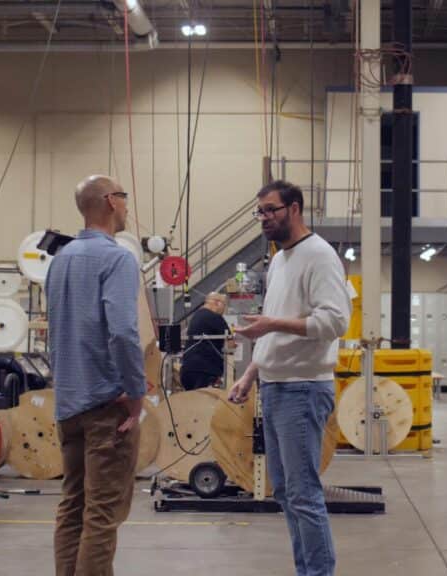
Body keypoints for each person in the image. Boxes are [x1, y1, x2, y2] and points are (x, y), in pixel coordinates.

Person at [230, 180, 351, 576]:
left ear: (294, 209)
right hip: (276, 385)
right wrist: (250, 374)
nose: (264, 218)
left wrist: (270, 325)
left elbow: (335, 321)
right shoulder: (280, 260)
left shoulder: (319, 256)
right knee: (284, 490)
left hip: (303, 387)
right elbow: (274, 329)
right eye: (260, 212)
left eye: (271, 210)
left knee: (303, 494)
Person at [46, 175, 146, 576]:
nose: (127, 206)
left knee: (72, 506)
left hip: (68, 404)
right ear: (109, 201)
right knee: (102, 515)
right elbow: (122, 331)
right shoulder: (118, 258)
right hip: (107, 406)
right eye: (124, 198)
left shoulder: (60, 260)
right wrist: (136, 392)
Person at [180, 292, 231, 390]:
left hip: (187, 370)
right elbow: (231, 343)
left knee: (192, 402)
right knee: (206, 402)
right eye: (224, 306)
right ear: (217, 303)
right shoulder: (216, 317)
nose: (223, 310)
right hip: (205, 371)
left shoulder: (195, 316)